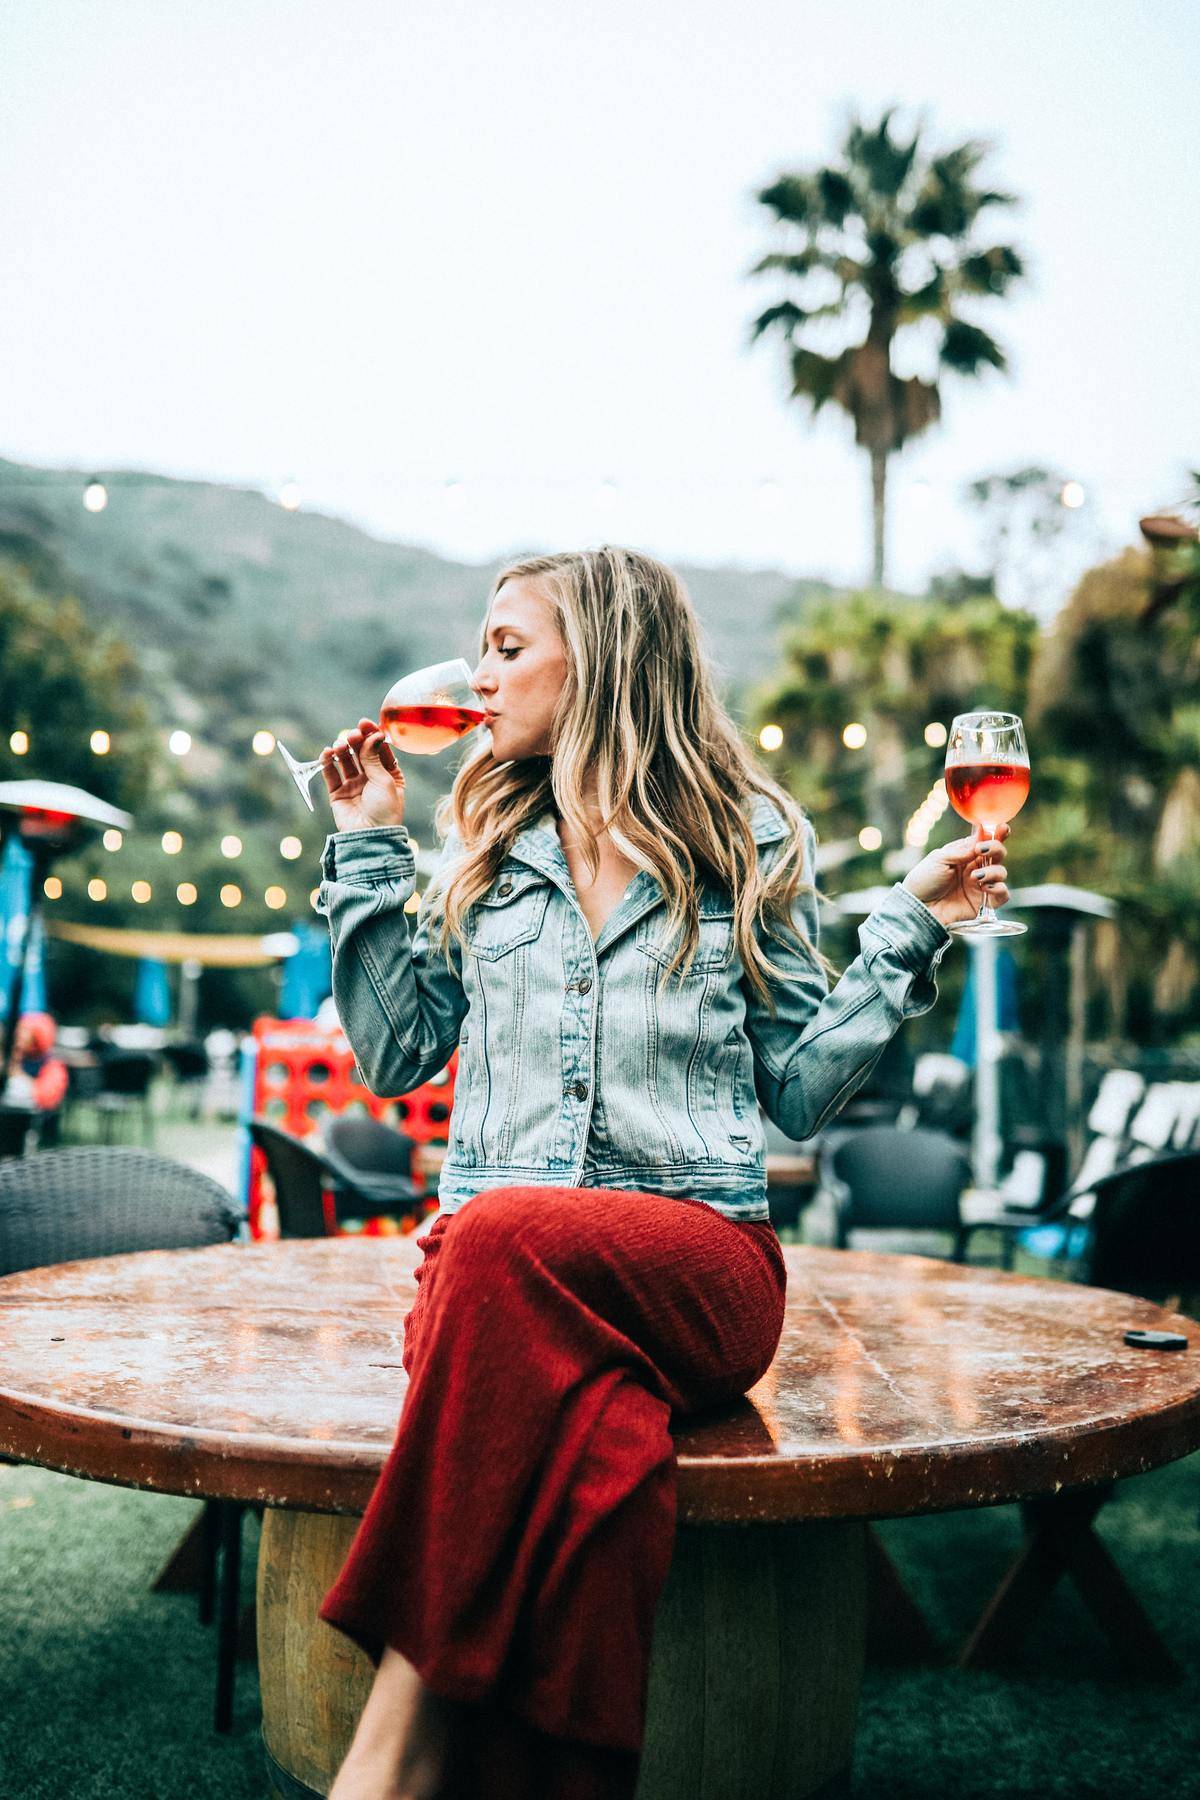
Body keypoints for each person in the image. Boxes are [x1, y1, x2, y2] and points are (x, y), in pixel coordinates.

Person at [314, 547, 1011, 1800]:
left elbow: (796, 1087)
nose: (479, 674)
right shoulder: (480, 843)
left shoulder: (743, 840)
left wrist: (907, 923)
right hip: (497, 1290)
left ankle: (393, 1749)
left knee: (490, 1239)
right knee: (597, 1450)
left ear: (603, 658)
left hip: (698, 1264)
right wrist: (369, 848)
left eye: (507, 646)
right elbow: (395, 1054)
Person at [4, 1011, 69, 1114]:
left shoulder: (52, 1066)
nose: (20, 1037)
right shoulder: (10, 1057)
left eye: (25, 1031)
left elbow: (45, 1098)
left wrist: (17, 1074)